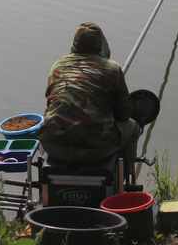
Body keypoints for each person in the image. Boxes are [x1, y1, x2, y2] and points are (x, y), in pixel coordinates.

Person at [39, 22, 139, 166]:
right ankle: (129, 175)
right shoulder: (112, 69)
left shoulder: (57, 66)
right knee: (133, 127)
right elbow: (124, 114)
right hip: (96, 149)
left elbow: (50, 103)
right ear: (100, 45)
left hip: (52, 144)